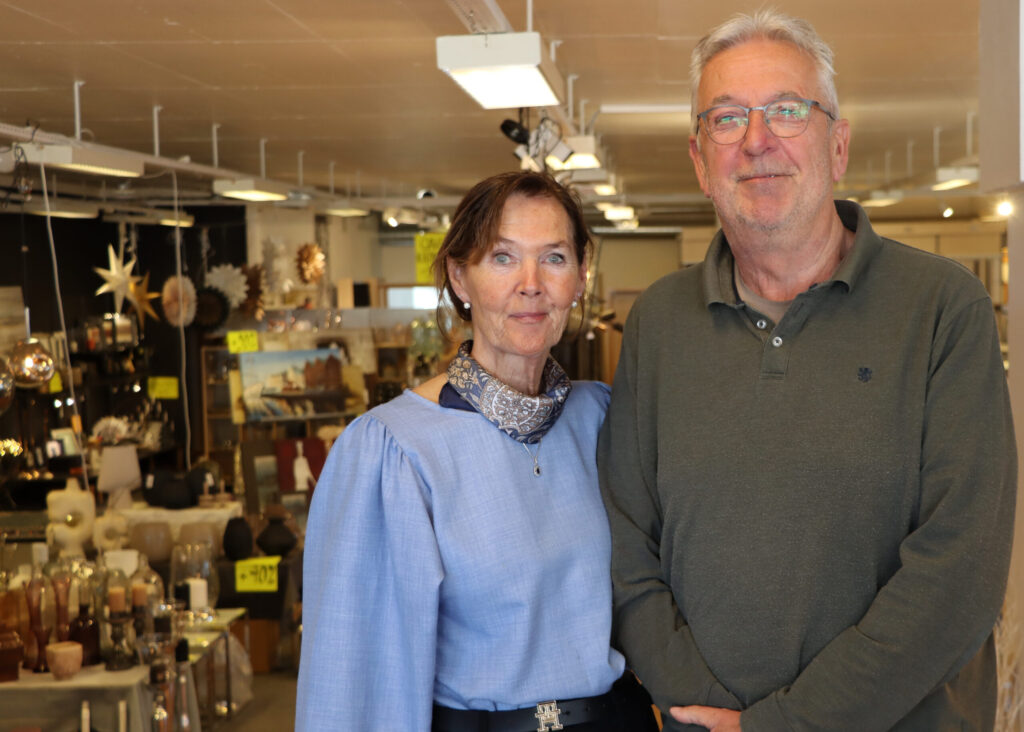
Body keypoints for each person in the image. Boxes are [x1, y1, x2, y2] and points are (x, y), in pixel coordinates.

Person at [598, 9, 1016, 731]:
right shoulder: (659, 323)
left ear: (838, 144)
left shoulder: (945, 309)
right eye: (727, 118)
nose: (757, 140)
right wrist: (705, 714)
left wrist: (782, 726)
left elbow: (960, 572)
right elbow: (626, 548)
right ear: (700, 161)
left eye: (788, 110)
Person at [296, 171, 658, 732]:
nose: (531, 284)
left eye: (554, 258)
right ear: (460, 277)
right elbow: (357, 682)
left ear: (581, 277)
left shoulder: (603, 418)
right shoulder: (395, 451)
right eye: (502, 258)